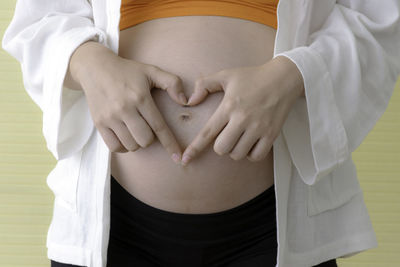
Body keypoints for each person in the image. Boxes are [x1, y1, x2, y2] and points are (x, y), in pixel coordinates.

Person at [2, 0, 400, 267]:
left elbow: (379, 18)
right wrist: (89, 62)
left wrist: (294, 75)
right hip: (113, 228)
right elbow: (39, 20)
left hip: (270, 229)